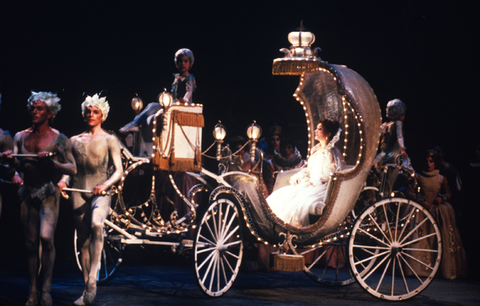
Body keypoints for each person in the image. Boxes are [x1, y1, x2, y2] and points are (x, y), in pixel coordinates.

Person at [3, 91, 76, 306]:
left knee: (46, 238)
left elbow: (72, 168)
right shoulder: (20, 137)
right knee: (30, 243)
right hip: (27, 193)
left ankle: (46, 288)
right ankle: (33, 289)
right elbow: (16, 165)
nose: (34, 112)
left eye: (40, 108)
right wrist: (11, 163)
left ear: (50, 112)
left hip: (48, 193)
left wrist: (53, 164)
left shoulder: (59, 139)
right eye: (33, 108)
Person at [57, 93, 123, 305]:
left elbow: (118, 171)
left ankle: (93, 279)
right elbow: (70, 169)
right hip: (78, 192)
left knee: (96, 224)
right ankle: (87, 289)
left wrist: (104, 185)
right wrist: (63, 181)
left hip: (100, 193)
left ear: (102, 115)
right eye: (88, 111)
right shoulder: (74, 140)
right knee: (83, 242)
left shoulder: (109, 139)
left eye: (95, 112)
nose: (91, 115)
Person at [267, 119, 345, 227]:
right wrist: (301, 175)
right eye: (316, 128)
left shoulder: (331, 152)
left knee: (295, 203)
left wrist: (312, 181)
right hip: (310, 184)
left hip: (321, 187)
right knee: (279, 195)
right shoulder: (317, 151)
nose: (316, 131)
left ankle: (290, 230)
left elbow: (331, 175)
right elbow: (309, 169)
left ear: (328, 134)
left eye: (320, 129)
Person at [415, 150, 468, 279]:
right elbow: (410, 191)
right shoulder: (418, 176)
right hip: (422, 210)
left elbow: (449, 193)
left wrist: (442, 198)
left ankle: (442, 268)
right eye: (426, 161)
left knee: (441, 237)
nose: (428, 164)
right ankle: (422, 268)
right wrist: (420, 200)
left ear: (435, 163)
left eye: (431, 161)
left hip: (437, 210)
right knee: (423, 238)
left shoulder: (440, 177)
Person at [119, 48, 197, 134]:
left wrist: (185, 100)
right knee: (152, 105)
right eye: (180, 61)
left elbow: (189, 91)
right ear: (176, 63)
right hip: (172, 104)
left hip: (182, 106)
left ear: (190, 63)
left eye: (185, 61)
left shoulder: (189, 77)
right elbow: (173, 94)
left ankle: (137, 125)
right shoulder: (176, 78)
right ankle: (134, 124)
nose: (183, 63)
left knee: (159, 110)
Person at [374, 99, 409, 194]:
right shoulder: (398, 123)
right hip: (393, 157)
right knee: (388, 184)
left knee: (383, 183)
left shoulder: (385, 125)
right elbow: (399, 136)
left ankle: (382, 198)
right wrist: (402, 149)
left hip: (383, 156)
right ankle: (385, 202)